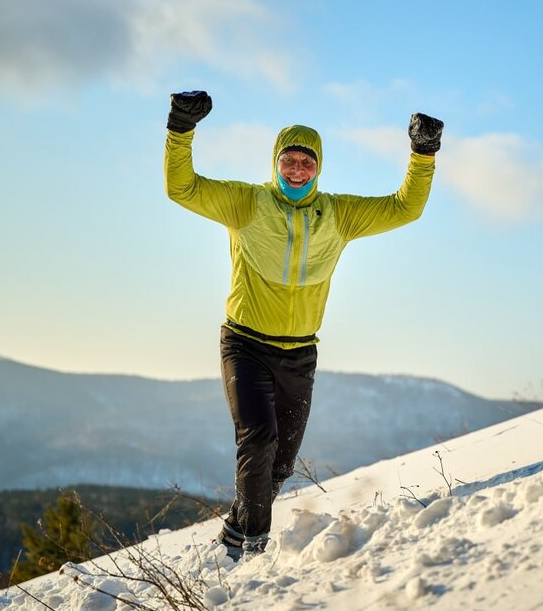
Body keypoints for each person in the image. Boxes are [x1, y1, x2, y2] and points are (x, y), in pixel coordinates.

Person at [163, 90, 442, 561]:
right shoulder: (246, 203)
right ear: (275, 164)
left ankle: (235, 532)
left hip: (299, 353)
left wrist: (423, 154)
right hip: (245, 344)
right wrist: (180, 129)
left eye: (306, 162)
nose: (297, 169)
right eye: (289, 160)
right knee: (258, 440)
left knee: (280, 465)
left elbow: (404, 208)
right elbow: (182, 187)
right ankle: (252, 550)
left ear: (318, 168)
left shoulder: (338, 214)